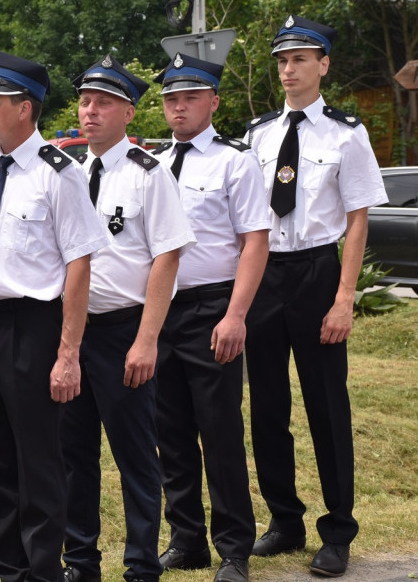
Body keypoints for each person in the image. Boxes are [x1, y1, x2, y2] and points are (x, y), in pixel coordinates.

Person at [0, 51, 108, 582]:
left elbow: (79, 267)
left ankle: (44, 570)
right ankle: (7, 568)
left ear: (24, 109)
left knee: (39, 460)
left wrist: (68, 354)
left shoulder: (58, 175)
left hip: (33, 327)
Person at [243, 15, 387, 578]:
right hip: (264, 276)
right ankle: (284, 520)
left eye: (300, 59)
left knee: (327, 404)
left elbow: (357, 221)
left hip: (316, 274)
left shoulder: (346, 134)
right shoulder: (256, 135)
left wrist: (345, 296)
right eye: (282, 60)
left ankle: (338, 530)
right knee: (268, 407)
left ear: (323, 65)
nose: (288, 69)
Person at [62, 55, 195, 582]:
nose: (91, 112)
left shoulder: (148, 175)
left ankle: (141, 563)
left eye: (104, 103)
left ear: (129, 113)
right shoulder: (68, 174)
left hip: (124, 332)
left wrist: (147, 340)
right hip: (73, 334)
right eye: (86, 101)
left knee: (136, 457)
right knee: (73, 454)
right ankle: (80, 561)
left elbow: (168, 257)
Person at [151, 53, 270, 582]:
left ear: (214, 101)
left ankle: (234, 549)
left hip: (211, 308)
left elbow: (254, 243)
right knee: (169, 431)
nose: (178, 106)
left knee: (219, 430)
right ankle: (186, 540)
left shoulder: (234, 161)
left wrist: (236, 315)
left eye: (190, 96)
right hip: (159, 311)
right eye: (171, 98)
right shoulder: (150, 165)